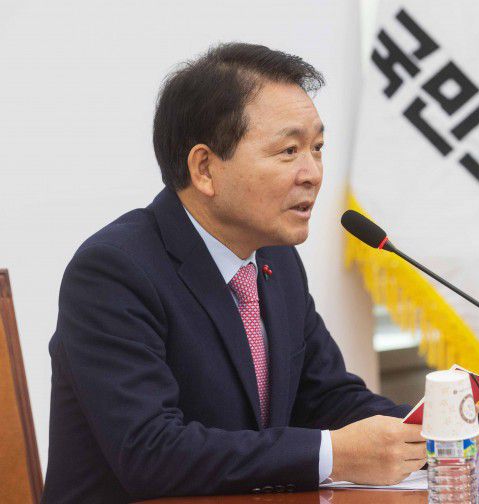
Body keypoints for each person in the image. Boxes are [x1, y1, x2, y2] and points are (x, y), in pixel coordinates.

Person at [42, 43, 426, 503]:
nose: (312, 173)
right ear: (204, 168)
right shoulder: (114, 272)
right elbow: (152, 453)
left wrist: (433, 429)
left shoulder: (276, 260)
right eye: (289, 150)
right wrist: (334, 454)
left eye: (318, 148)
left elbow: (326, 398)